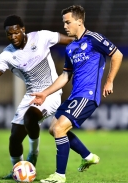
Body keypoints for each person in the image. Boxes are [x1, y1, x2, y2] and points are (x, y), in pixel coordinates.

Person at [30, 5, 122, 183]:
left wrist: (109, 80)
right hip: (74, 96)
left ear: (79, 21)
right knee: (53, 129)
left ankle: (59, 175)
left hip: (87, 95)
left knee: (59, 129)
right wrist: (45, 93)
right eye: (64, 22)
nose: (65, 26)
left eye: (68, 22)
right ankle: (88, 157)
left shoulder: (94, 39)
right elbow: (65, 75)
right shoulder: (71, 48)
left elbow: (117, 54)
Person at [0, 15, 74, 179]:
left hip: (51, 92)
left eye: (16, 33)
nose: (13, 37)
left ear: (23, 29)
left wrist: (80, 54)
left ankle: (33, 152)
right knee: (14, 139)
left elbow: (69, 40)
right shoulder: (7, 54)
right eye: (9, 34)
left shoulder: (41, 37)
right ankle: (18, 171)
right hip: (31, 94)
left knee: (30, 117)